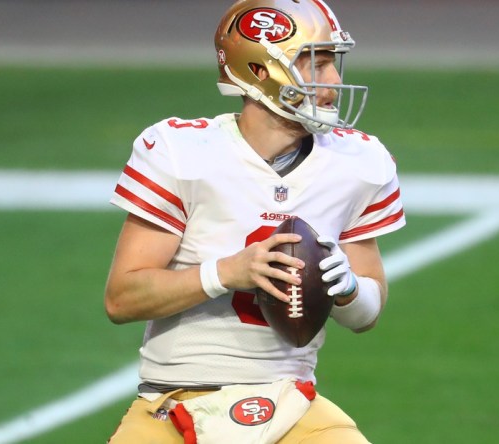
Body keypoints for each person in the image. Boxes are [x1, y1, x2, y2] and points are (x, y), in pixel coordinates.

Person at [104, 0, 405, 442]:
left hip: (291, 401)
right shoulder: (180, 152)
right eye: (315, 63)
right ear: (261, 71)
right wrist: (227, 272)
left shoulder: (357, 162)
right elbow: (122, 299)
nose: (334, 81)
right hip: (174, 398)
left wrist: (350, 290)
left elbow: (366, 317)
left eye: (333, 63)